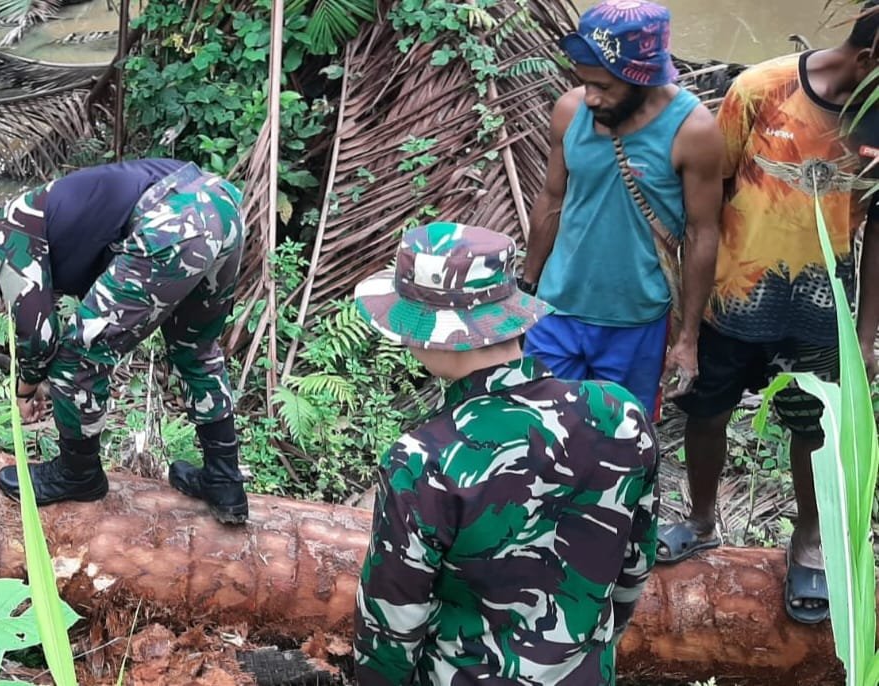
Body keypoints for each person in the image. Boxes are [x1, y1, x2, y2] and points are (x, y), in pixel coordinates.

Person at [352, 222, 660, 685]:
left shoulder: (423, 460)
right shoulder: (620, 414)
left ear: (428, 334)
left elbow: (393, 622)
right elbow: (635, 564)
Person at [658, 2, 879, 625]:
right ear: (866, 60)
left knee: (811, 430)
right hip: (732, 298)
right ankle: (702, 518)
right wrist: (688, 319)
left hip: (820, 308)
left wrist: (865, 332)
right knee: (705, 411)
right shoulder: (761, 89)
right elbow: (707, 200)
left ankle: (808, 541)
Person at [0, 159, 250, 524]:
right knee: (195, 348)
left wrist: (24, 390)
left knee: (77, 357)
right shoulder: (43, 217)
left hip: (172, 221)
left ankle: (78, 473)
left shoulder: (4, 235)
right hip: (219, 205)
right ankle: (224, 479)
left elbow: (39, 339)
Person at [520, 0, 724, 419]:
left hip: (634, 323)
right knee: (539, 429)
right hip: (557, 310)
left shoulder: (693, 130)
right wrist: (526, 288)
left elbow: (702, 234)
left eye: (606, 87)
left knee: (620, 440)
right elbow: (552, 199)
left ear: (644, 80)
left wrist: (687, 338)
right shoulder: (569, 111)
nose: (591, 97)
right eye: (586, 82)